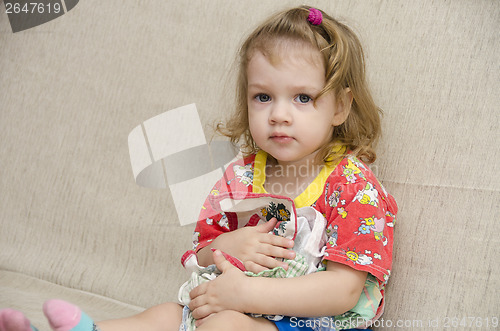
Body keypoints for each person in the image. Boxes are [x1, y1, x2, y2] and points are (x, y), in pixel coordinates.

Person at [0, 5, 397, 331]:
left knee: (224, 326)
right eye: (263, 96)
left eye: (303, 98)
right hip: (225, 306)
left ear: (340, 107)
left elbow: (343, 290)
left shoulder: (351, 186)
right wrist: (224, 247)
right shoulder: (240, 177)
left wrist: (245, 296)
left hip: (305, 323)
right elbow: (199, 252)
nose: (279, 114)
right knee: (161, 316)